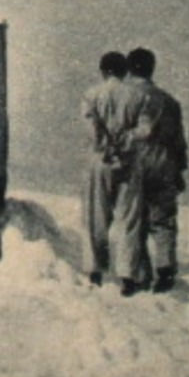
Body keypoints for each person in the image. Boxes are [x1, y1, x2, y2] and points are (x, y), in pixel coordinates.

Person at [113, 47, 189, 297]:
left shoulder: (123, 95)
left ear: (129, 68)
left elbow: (116, 132)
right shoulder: (169, 101)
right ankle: (165, 269)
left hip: (133, 162)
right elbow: (179, 141)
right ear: (151, 68)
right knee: (163, 219)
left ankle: (131, 276)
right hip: (165, 162)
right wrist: (179, 169)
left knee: (131, 219)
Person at [81, 50, 143, 288]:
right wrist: (125, 143)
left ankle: (96, 270)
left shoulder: (91, 94)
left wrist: (106, 146)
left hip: (101, 160)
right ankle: (127, 275)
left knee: (97, 215)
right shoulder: (137, 96)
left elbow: (91, 126)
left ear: (103, 70)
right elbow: (145, 129)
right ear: (125, 71)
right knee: (129, 218)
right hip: (129, 160)